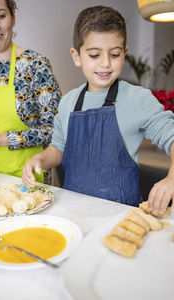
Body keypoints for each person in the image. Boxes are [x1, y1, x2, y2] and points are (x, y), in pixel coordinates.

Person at [22, 5, 174, 215]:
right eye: (94, 55)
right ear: (77, 56)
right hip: (72, 214)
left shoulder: (137, 99)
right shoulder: (68, 103)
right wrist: (39, 159)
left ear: (125, 53)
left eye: (115, 54)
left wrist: (171, 179)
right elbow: (58, 148)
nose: (105, 63)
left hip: (121, 218)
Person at [0, 0, 61, 184]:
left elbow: (54, 131)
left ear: (12, 15)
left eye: (1, 16)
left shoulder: (36, 65)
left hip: (27, 182)